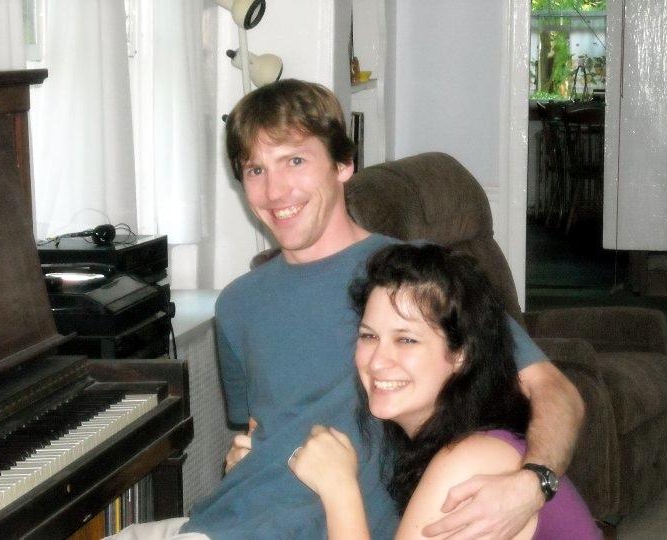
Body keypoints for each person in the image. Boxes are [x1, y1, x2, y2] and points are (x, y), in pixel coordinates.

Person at [112, 79, 583, 539]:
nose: (275, 192)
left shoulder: (416, 279)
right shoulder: (237, 304)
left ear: (343, 164)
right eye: (256, 170)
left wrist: (533, 484)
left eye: (295, 160)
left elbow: (554, 390)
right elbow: (259, 430)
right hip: (213, 522)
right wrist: (246, 461)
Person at [288, 243, 601, 539]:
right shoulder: (452, 436)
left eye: (406, 340)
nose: (377, 361)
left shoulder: (471, 460)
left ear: (461, 353)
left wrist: (339, 489)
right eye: (369, 336)